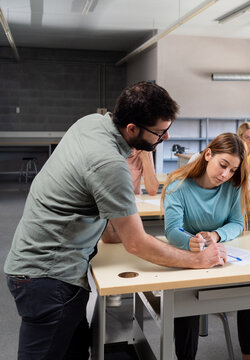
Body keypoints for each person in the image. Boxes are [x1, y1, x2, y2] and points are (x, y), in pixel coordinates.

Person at [4, 82, 227, 360]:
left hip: (45, 268)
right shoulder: (110, 163)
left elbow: (111, 230)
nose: (166, 137)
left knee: (73, 352)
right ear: (132, 128)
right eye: (159, 132)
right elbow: (135, 244)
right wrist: (197, 260)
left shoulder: (92, 122)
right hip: (49, 276)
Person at [162, 132, 250, 360]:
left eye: (233, 170)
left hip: (224, 257)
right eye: (223, 165)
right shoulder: (178, 185)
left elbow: (237, 223)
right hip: (191, 258)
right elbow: (173, 230)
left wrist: (216, 236)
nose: (226, 175)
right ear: (208, 154)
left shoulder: (233, 187)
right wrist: (193, 242)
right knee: (186, 304)